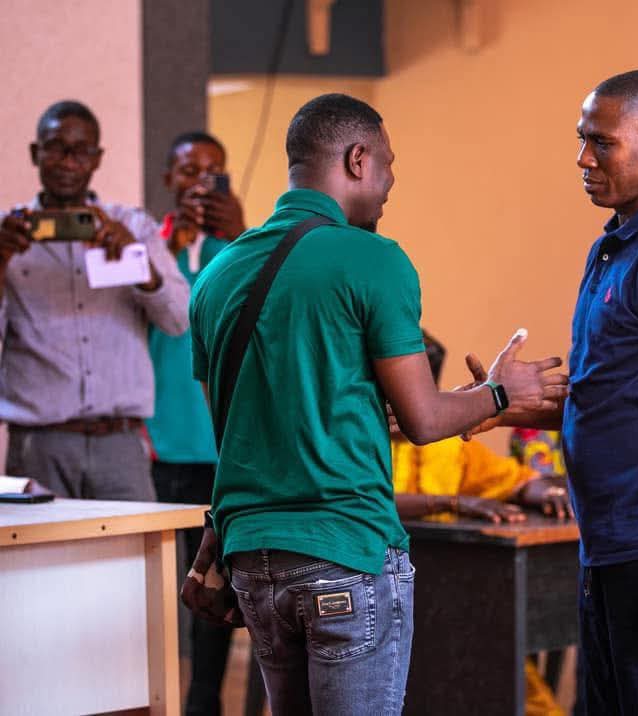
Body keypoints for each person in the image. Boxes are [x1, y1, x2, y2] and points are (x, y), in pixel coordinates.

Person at [185, 93, 566, 716]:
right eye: (388, 165)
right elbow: (423, 421)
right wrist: (502, 394)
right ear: (358, 159)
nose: (390, 183)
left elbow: (236, 432)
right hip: (345, 552)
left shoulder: (217, 275)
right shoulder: (375, 260)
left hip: (253, 560)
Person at [467, 69, 638, 714]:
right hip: (610, 542)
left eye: (602, 142)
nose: (583, 158)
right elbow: (609, 398)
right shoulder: (614, 247)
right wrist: (492, 405)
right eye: (582, 138)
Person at [0, 100, 189, 500]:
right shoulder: (6, 234)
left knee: (132, 544)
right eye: (56, 147)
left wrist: (138, 263)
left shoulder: (133, 227)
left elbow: (178, 320)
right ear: (35, 153)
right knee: (42, 545)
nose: (69, 162)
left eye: (81, 150)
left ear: (97, 158)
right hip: (39, 444)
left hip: (120, 445)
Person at [391, 332, 568, 716]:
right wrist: (451, 502)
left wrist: (545, 492)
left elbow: (513, 480)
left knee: (501, 669)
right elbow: (363, 500)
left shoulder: (444, 442)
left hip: (446, 600)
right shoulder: (353, 438)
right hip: (381, 603)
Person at [147, 130, 246, 716]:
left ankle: (204, 701)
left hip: (222, 446)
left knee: (216, 583)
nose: (200, 182)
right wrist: (168, 248)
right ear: (168, 179)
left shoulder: (241, 248)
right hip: (158, 446)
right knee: (158, 588)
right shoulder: (145, 247)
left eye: (213, 171)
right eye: (188, 171)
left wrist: (240, 233)